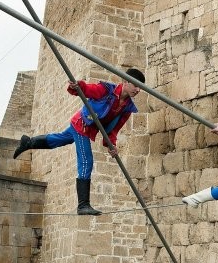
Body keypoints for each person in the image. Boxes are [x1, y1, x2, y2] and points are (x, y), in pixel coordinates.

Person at [13, 68, 145, 215]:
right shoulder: (106, 90)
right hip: (81, 125)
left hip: (87, 128)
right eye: (136, 85)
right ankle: (83, 205)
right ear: (125, 81)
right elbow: (88, 89)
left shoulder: (127, 108)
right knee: (86, 160)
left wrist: (110, 144)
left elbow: (114, 129)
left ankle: (28, 143)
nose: (138, 90)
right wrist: (78, 86)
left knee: (60, 139)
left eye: (140, 87)